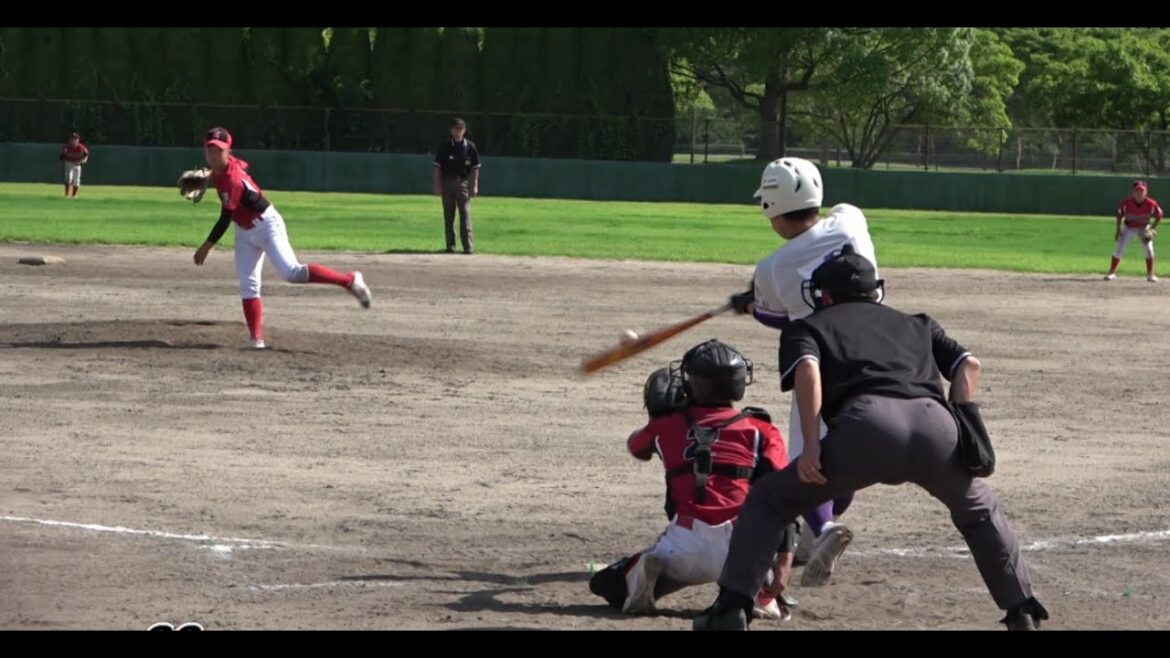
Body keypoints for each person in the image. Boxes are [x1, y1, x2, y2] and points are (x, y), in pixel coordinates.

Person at [694, 245, 1049, 631]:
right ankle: (1022, 612)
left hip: (868, 428)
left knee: (769, 500)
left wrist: (811, 446)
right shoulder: (918, 323)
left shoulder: (809, 326)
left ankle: (731, 608)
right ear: (874, 289)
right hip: (936, 425)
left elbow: (808, 373)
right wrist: (965, 423)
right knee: (979, 511)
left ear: (825, 295)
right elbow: (969, 365)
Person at [728, 157, 880, 585]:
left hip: (820, 361)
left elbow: (781, 318)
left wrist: (752, 305)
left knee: (806, 459)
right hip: (877, 351)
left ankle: (825, 527)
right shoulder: (850, 220)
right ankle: (819, 528)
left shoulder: (772, 268)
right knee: (845, 451)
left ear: (772, 209)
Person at [588, 340, 797, 621]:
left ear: (692, 383)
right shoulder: (762, 429)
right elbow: (785, 498)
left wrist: (660, 415)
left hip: (684, 545)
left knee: (604, 584)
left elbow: (635, 446)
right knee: (770, 498)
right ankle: (761, 592)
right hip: (744, 546)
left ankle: (643, 573)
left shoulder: (667, 426)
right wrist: (784, 566)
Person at [192, 127, 372, 349]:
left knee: (292, 273)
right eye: (210, 149)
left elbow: (225, 217)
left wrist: (206, 247)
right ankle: (256, 340)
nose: (214, 154)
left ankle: (350, 281)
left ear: (229, 151)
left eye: (219, 150)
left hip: (267, 226)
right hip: (244, 231)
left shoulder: (232, 179)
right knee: (248, 284)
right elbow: (236, 166)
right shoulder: (224, 167)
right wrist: (208, 179)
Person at [432, 117, 481, 254]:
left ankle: (468, 246)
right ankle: (451, 245)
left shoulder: (470, 147)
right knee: (449, 215)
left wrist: (474, 185)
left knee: (465, 214)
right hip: (447, 182)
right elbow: (437, 167)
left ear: (464, 130)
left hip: (463, 183)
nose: (458, 131)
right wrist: (437, 184)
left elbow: (475, 167)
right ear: (451, 130)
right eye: (455, 129)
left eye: (460, 129)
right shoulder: (445, 146)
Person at [1104, 180, 1162, 282]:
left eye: (1141, 191)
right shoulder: (1127, 203)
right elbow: (1119, 215)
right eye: (1137, 191)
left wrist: (1152, 228)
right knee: (1120, 248)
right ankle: (1111, 272)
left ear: (1146, 192)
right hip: (1129, 227)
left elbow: (1159, 215)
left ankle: (1150, 275)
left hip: (1144, 228)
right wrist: (1118, 230)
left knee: (1149, 250)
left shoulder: (1151, 203)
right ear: (1133, 192)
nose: (1139, 193)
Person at [59, 132, 90, 198]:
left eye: (75, 139)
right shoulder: (67, 147)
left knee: (76, 180)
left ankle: (74, 196)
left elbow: (86, 155)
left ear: (78, 140)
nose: (74, 140)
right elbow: (61, 156)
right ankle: (67, 195)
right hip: (69, 163)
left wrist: (84, 161)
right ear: (70, 140)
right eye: (72, 139)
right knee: (68, 178)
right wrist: (64, 158)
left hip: (77, 163)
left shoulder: (81, 147)